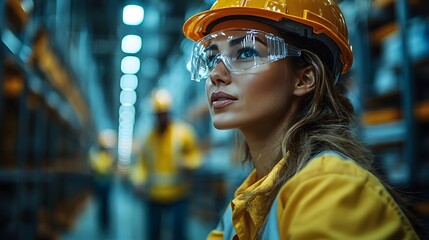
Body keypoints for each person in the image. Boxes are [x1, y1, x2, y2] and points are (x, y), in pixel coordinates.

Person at [182, 0, 422, 239]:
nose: (216, 74)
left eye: (246, 52)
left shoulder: (330, 189)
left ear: (305, 78)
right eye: (213, 58)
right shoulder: (249, 201)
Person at [135, 88, 202, 240]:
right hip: (154, 196)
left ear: (169, 112)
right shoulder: (148, 138)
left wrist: (188, 163)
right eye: (158, 114)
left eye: (164, 113)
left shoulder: (184, 133)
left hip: (179, 194)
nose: (161, 117)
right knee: (153, 233)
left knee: (179, 234)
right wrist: (138, 180)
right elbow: (141, 164)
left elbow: (196, 156)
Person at [89, 144, 114, 232]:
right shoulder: (108, 157)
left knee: (101, 203)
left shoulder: (97, 157)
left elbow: (94, 167)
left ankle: (102, 222)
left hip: (100, 182)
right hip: (105, 183)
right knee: (105, 204)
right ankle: (105, 222)